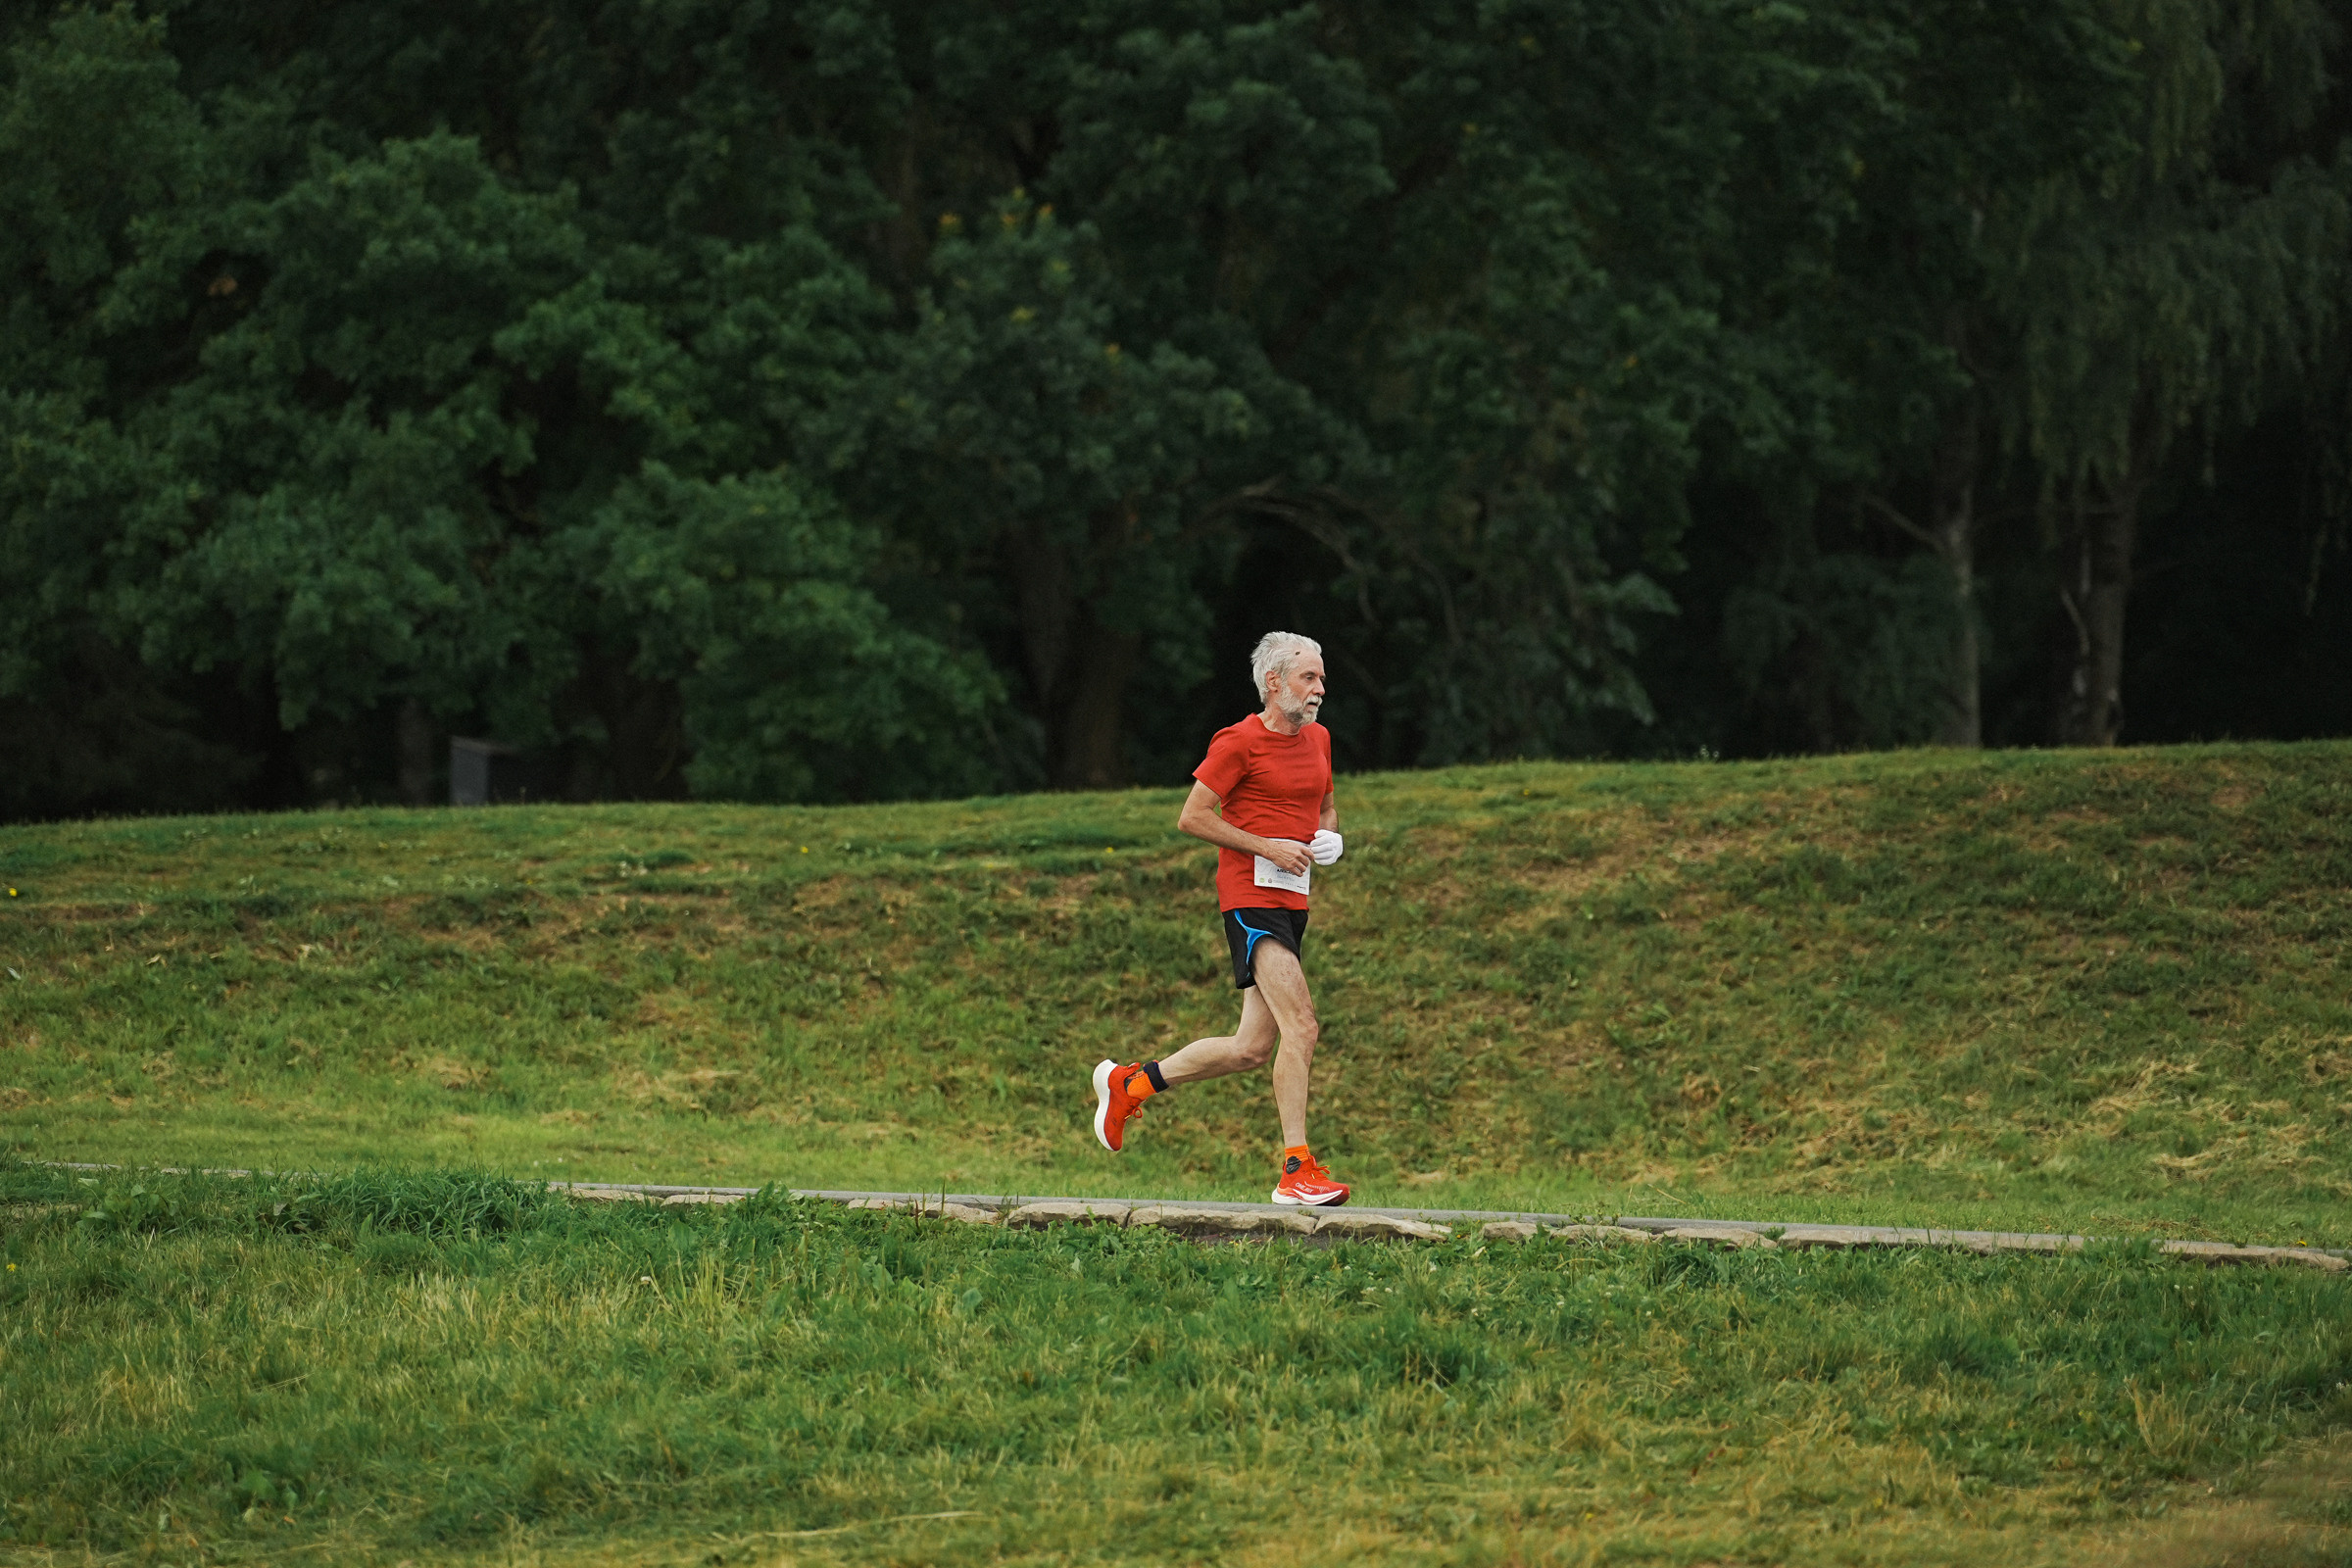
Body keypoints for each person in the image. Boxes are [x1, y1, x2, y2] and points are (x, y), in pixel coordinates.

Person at [1091, 631, 1349, 1205]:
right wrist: (1266, 847)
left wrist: (1328, 837)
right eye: (1310, 678)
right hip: (1250, 900)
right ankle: (1295, 1170)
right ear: (1274, 682)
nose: (1320, 689)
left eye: (1323, 679)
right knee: (1302, 1026)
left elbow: (1324, 804)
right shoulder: (1238, 742)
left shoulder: (1320, 740)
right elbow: (1193, 817)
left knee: (1251, 1047)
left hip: (1293, 901)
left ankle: (1129, 1083)